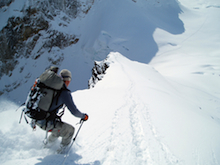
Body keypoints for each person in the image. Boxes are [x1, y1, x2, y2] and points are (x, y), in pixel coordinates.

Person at [35, 69, 88, 152]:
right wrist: (83, 116)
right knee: (70, 130)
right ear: (67, 80)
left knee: (58, 129)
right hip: (46, 122)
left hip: (37, 118)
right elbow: (74, 111)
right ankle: (62, 153)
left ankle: (47, 147)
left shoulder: (50, 88)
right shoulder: (64, 93)